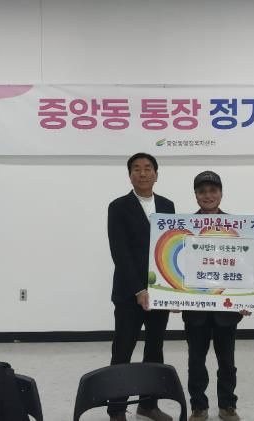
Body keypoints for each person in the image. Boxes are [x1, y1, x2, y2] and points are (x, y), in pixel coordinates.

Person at [107, 152, 175, 421]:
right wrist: (138, 289)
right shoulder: (118, 206)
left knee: (155, 350)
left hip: (160, 291)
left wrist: (174, 291)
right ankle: (116, 409)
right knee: (123, 349)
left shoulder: (167, 205)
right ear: (130, 175)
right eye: (137, 169)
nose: (143, 173)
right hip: (128, 292)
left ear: (156, 174)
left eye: (148, 168)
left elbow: (171, 247)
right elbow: (119, 251)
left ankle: (148, 405)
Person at [183, 171, 243, 421]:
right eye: (202, 191)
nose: (208, 196)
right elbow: (178, 266)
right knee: (196, 361)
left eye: (212, 191)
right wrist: (172, 295)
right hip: (195, 309)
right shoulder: (183, 226)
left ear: (221, 193)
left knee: (227, 362)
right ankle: (198, 406)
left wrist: (248, 299)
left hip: (226, 310)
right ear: (196, 195)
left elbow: (244, 265)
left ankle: (227, 405)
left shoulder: (237, 226)